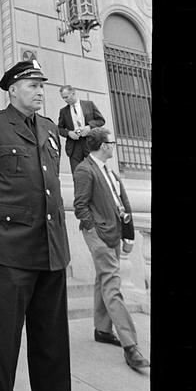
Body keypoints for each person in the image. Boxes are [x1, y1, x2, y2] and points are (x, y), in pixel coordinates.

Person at [0, 59, 71, 391]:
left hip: (51, 251)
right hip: (8, 251)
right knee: (4, 350)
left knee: (53, 348)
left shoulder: (50, 128)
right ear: (12, 90)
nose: (40, 91)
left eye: (42, 85)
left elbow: (49, 179)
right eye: (32, 85)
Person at [72, 127, 150, 372]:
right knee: (113, 284)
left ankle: (102, 330)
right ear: (103, 146)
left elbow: (121, 203)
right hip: (99, 234)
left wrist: (128, 234)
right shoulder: (85, 169)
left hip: (114, 233)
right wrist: (94, 230)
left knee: (103, 280)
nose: (114, 146)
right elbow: (80, 206)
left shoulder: (109, 171)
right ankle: (130, 345)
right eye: (112, 142)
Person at [57, 85, 105, 174]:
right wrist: (69, 133)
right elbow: (59, 128)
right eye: (63, 98)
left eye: (66, 97)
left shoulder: (89, 104)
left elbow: (101, 120)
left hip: (90, 143)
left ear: (73, 93)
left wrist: (89, 127)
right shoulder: (63, 111)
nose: (65, 100)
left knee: (95, 173)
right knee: (77, 175)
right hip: (74, 146)